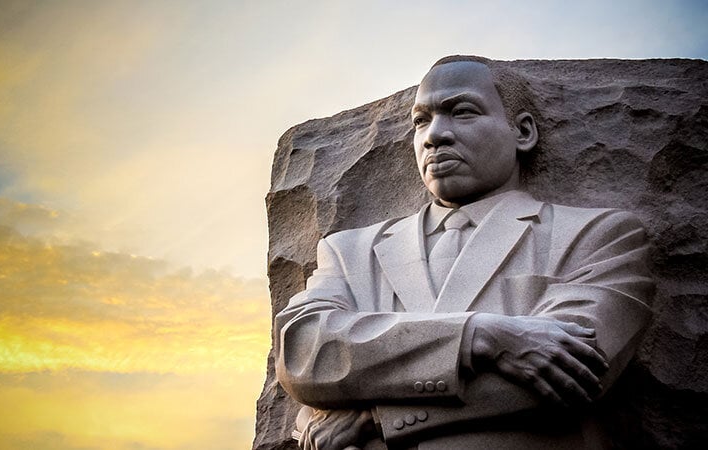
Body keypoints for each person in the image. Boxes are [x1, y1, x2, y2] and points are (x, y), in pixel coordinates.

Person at [274, 56, 654, 450]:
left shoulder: (595, 235)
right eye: (421, 120)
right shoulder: (350, 251)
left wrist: (375, 418)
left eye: (462, 112)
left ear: (522, 132)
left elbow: (576, 371)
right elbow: (304, 354)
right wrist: (480, 335)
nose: (434, 135)